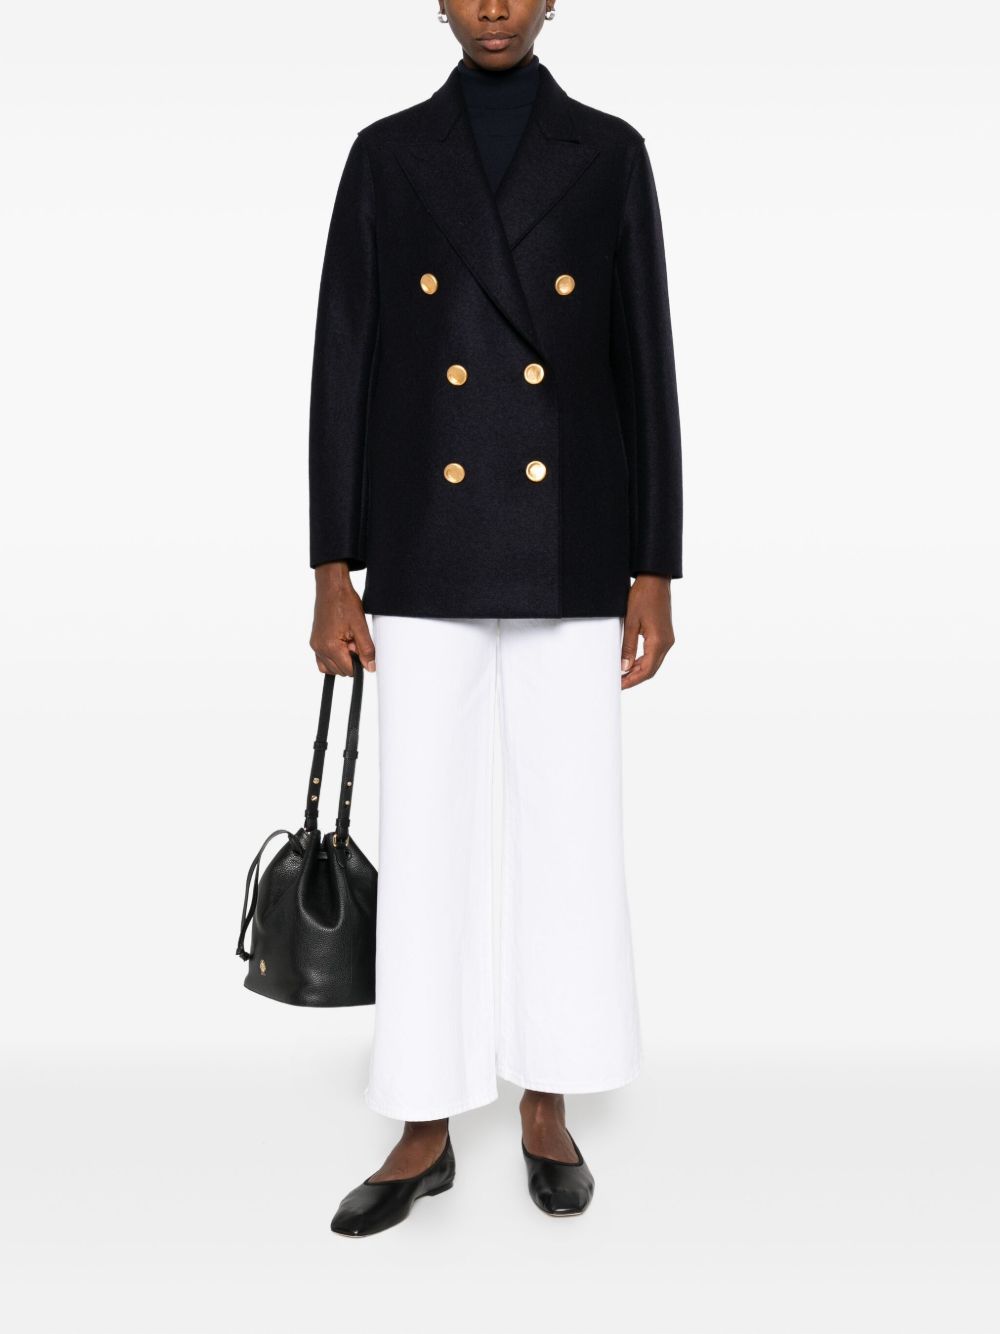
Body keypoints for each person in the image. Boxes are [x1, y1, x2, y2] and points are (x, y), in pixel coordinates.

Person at [308, 0, 682, 1237]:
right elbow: (345, 360)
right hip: (426, 535)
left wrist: (653, 564)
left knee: (570, 827)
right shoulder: (385, 154)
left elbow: (644, 360)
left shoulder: (610, 152)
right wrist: (332, 564)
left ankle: (546, 1099)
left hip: (573, 536)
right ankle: (423, 1119)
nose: (495, 6)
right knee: (424, 829)